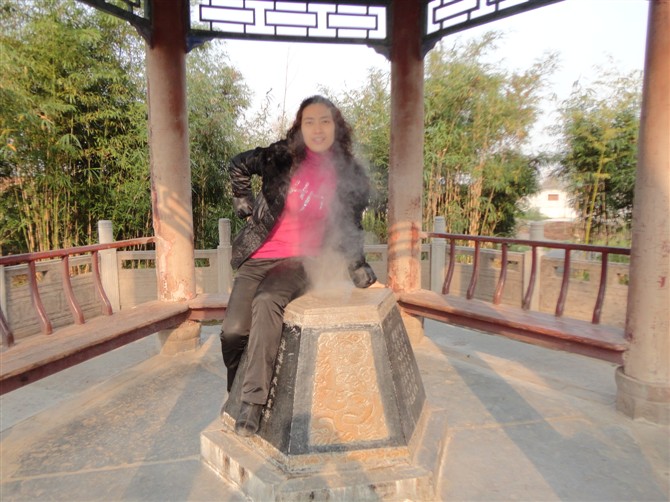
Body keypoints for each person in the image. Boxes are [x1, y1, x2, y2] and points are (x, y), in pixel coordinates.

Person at [219, 95, 377, 437]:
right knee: (233, 332)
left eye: (325, 121)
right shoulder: (281, 156)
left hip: (300, 259)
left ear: (337, 127)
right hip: (258, 255)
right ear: (299, 127)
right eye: (310, 121)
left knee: (267, 300)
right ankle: (235, 392)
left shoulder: (348, 174)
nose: (317, 129)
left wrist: (357, 265)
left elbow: (350, 224)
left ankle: (252, 403)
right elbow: (237, 164)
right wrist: (242, 198)